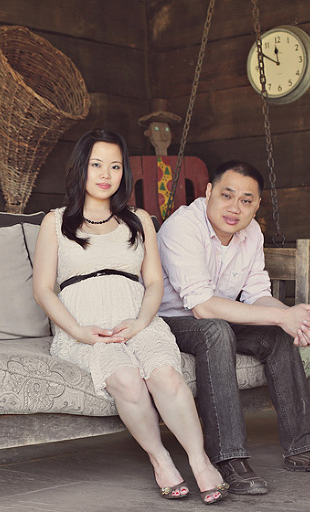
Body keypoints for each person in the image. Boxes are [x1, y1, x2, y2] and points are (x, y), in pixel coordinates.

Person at [33, 129, 229, 505]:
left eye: (115, 166)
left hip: (138, 319)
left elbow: (153, 282)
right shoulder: (55, 222)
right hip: (84, 326)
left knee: (165, 374)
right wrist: (79, 332)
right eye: (97, 165)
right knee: (126, 380)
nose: (106, 174)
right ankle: (160, 460)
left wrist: (140, 322)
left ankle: (200, 460)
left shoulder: (139, 219)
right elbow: (43, 290)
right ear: (81, 168)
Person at [157, 160, 310, 495]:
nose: (235, 208)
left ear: (257, 204)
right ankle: (229, 459)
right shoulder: (183, 227)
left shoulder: (251, 234)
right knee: (216, 331)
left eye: (246, 200)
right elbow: (202, 307)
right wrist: (282, 316)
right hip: (170, 322)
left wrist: (293, 317)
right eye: (227, 195)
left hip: (219, 318)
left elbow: (257, 294)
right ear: (209, 192)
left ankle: (304, 448)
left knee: (276, 334)